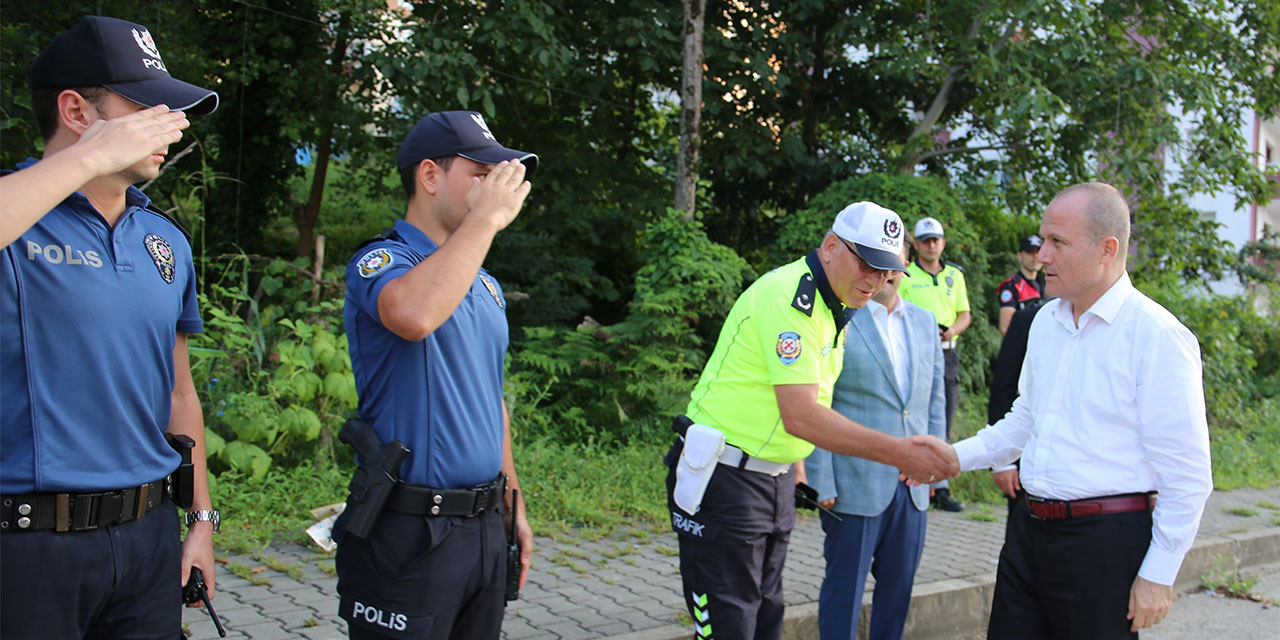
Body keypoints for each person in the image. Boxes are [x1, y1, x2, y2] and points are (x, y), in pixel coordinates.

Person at [0, 15, 220, 639]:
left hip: (147, 541)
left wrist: (201, 519)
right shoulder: (16, 217)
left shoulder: (164, 240)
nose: (169, 127)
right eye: (147, 109)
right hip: (30, 547)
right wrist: (91, 156)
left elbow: (180, 393)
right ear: (75, 109)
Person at [665, 201, 958, 640]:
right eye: (866, 264)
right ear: (830, 246)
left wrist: (798, 466)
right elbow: (802, 414)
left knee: (765, 619)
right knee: (729, 625)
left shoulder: (834, 304)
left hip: (773, 480)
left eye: (886, 270)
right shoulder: (791, 299)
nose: (875, 280)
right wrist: (900, 453)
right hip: (726, 481)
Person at [934, 182, 1213, 638]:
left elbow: (1188, 474)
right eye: (1043, 240)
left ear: (1107, 249)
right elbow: (1025, 419)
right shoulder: (1046, 322)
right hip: (1027, 535)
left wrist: (1158, 573)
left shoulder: (1157, 336)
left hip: (1104, 546)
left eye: (1057, 242)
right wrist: (954, 458)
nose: (1041, 255)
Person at [337, 111, 535, 640]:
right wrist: (484, 223)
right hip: (410, 531)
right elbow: (415, 316)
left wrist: (512, 504)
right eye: (480, 174)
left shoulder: (485, 284)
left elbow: (490, 399)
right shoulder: (383, 260)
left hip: (484, 526)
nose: (494, 187)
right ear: (429, 177)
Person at [804, 238, 945, 640]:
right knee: (843, 591)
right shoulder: (838, 318)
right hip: (853, 482)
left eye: (893, 262)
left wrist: (937, 473)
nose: (883, 272)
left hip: (913, 485)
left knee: (898, 592)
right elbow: (819, 402)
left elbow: (934, 402)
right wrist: (821, 478)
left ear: (903, 266)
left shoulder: (924, 321)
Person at [898, 216, 969, 512]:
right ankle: (913, 477)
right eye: (925, 240)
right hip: (915, 352)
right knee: (914, 413)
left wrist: (953, 330)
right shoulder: (905, 274)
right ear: (915, 244)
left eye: (935, 240)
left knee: (943, 415)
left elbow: (964, 313)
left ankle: (940, 485)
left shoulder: (954, 275)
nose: (931, 245)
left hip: (947, 349)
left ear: (942, 243)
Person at [995, 235, 1046, 336]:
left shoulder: (1049, 284)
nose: (1035, 256)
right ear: (1019, 256)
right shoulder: (1011, 286)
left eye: (1038, 252)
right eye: (1030, 252)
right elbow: (1006, 328)